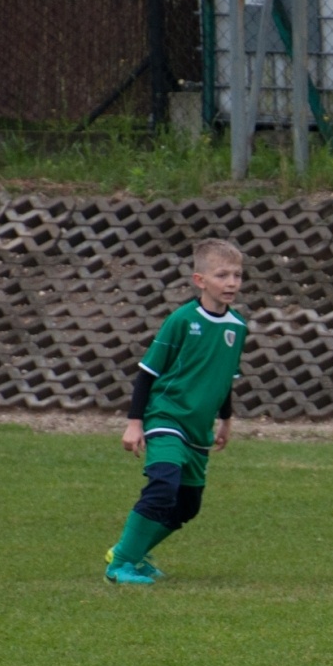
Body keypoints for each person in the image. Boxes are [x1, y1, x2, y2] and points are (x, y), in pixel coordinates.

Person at [104, 238, 247, 585]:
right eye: (222, 275)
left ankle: (133, 553)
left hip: (199, 427)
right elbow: (147, 373)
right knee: (163, 485)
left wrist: (226, 420)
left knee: (187, 505)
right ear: (200, 280)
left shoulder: (237, 326)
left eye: (238, 275)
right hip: (166, 417)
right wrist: (134, 424)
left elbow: (224, 378)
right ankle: (120, 563)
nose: (231, 283)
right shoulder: (181, 320)